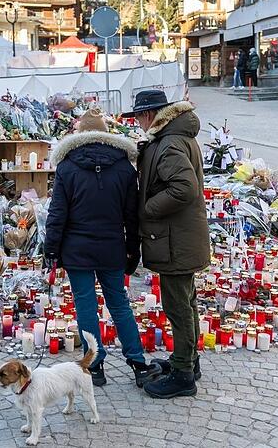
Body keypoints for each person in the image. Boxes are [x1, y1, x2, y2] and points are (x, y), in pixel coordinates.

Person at [44, 108, 160, 388]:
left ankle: (94, 366)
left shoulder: (68, 166)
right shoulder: (123, 167)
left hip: (77, 249)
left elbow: (57, 213)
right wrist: (133, 249)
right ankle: (138, 363)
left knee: (85, 305)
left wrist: (51, 250)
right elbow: (131, 215)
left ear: (80, 135)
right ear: (106, 136)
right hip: (111, 247)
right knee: (119, 303)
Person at [122, 90, 210, 399]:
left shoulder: (170, 142)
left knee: (178, 307)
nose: (137, 123)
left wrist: (148, 208)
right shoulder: (174, 137)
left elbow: (184, 188)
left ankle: (184, 375)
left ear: (150, 116)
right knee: (185, 302)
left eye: (138, 117)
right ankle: (187, 361)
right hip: (180, 237)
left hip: (176, 240)